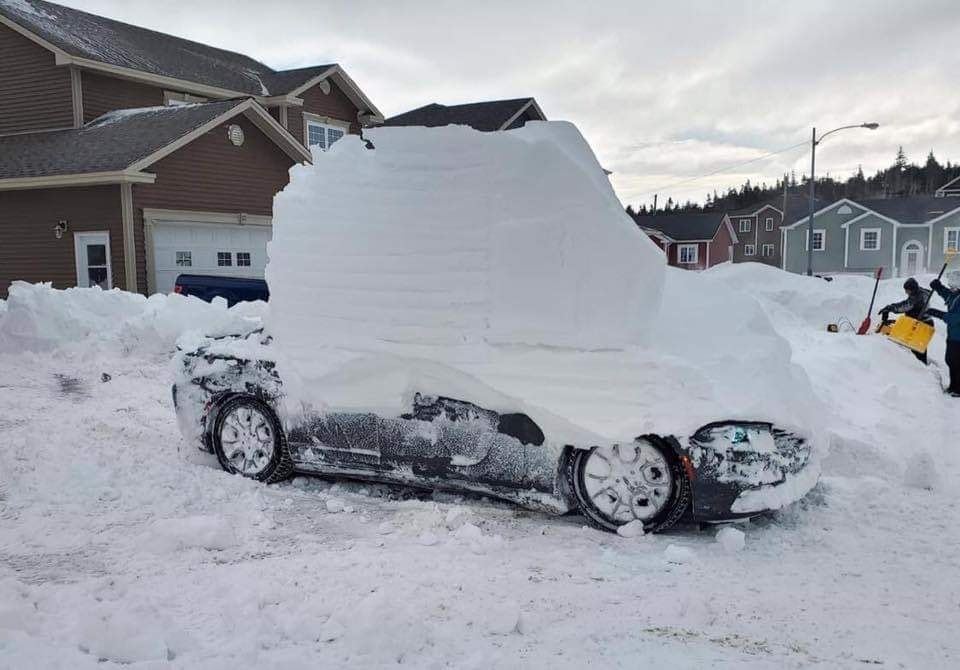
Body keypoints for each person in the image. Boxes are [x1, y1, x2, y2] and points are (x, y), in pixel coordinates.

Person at [880, 278, 933, 363]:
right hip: (921, 323)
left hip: (922, 325)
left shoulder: (918, 297)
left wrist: (890, 308)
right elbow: (907, 302)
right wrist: (891, 307)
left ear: (912, 289)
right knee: (918, 352)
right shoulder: (919, 293)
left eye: (907, 290)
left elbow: (905, 306)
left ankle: (920, 372)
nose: (906, 292)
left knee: (918, 355)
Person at [927, 277, 960, 396]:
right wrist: (938, 287)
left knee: (956, 362)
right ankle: (953, 386)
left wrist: (937, 313)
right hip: (953, 336)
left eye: (953, 287)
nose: (951, 289)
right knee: (951, 360)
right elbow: (948, 296)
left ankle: (958, 389)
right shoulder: (956, 295)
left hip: (958, 337)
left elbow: (954, 318)